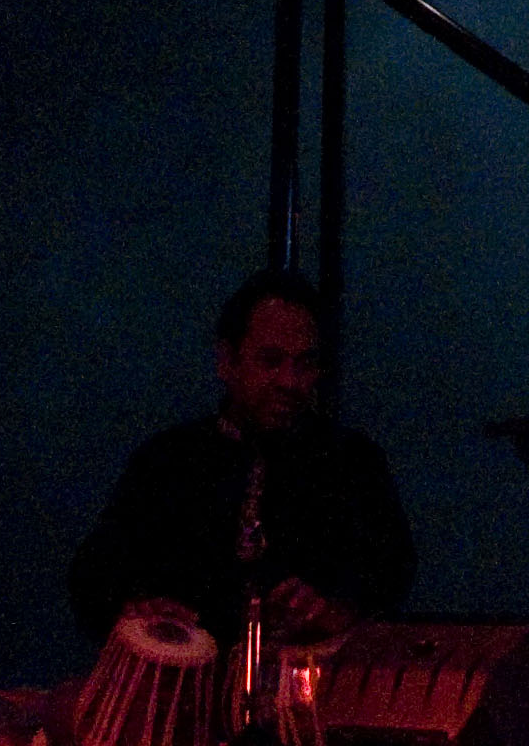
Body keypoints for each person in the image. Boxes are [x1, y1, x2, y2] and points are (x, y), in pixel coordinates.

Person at [64, 267, 416, 652]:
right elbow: (94, 580)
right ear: (227, 361)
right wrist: (139, 608)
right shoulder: (168, 462)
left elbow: (390, 576)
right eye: (271, 361)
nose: (289, 381)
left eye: (305, 364)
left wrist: (335, 610)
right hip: (187, 679)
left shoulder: (352, 464)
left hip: (309, 679)